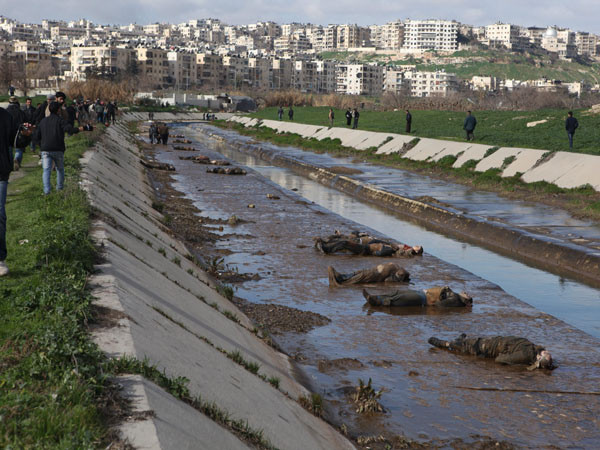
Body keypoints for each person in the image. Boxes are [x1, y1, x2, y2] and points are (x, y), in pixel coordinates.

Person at [33, 101, 84, 195]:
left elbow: (36, 136)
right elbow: (70, 129)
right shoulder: (60, 120)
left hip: (45, 149)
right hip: (58, 149)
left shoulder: (43, 121)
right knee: (60, 169)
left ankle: (46, 191)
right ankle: (59, 188)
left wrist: (41, 145)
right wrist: (82, 129)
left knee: (46, 170)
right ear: (58, 110)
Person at [427, 334, 554, 370]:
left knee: (462, 345)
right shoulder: (532, 352)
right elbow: (500, 360)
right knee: (460, 344)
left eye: (547, 357)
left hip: (487, 343)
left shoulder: (529, 350)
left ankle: (452, 341)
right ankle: (452, 341)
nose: (548, 355)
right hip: (487, 345)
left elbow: (501, 359)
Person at [0, 106, 18, 276]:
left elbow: (15, 141)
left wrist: (25, 136)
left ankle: (0, 258)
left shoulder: (6, 116)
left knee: (0, 214)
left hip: (1, 172)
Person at [363, 286, 473, 308]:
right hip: (422, 293)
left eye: (467, 295)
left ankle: (379, 302)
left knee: (400, 298)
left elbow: (440, 305)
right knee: (397, 292)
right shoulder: (454, 295)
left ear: (466, 299)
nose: (466, 293)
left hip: (424, 299)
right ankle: (375, 297)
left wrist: (433, 302)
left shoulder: (455, 298)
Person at [314, 235, 423, 257]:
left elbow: (384, 252)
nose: (417, 245)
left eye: (418, 247)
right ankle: (327, 246)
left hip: (367, 249)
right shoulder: (406, 248)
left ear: (417, 251)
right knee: (345, 244)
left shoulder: (409, 251)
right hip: (369, 247)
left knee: (345, 243)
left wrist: (375, 252)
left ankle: (327, 248)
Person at [328, 262, 410, 287]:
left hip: (373, 274)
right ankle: (341, 277)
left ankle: (340, 278)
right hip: (372, 272)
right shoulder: (395, 267)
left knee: (359, 276)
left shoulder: (396, 271)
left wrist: (402, 277)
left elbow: (387, 280)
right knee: (357, 273)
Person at [6, 97, 27, 171]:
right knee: (19, 149)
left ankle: (11, 163)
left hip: (8, 133)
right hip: (18, 133)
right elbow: (25, 122)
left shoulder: (6, 111)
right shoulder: (21, 112)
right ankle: (17, 159)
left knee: (9, 149)